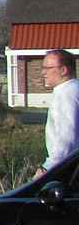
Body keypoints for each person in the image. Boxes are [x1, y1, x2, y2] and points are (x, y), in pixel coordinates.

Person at [34, 49, 79, 180]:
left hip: (68, 169)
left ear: (63, 70)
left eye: (47, 68)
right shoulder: (74, 89)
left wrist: (47, 168)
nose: (43, 72)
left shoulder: (66, 94)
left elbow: (66, 138)